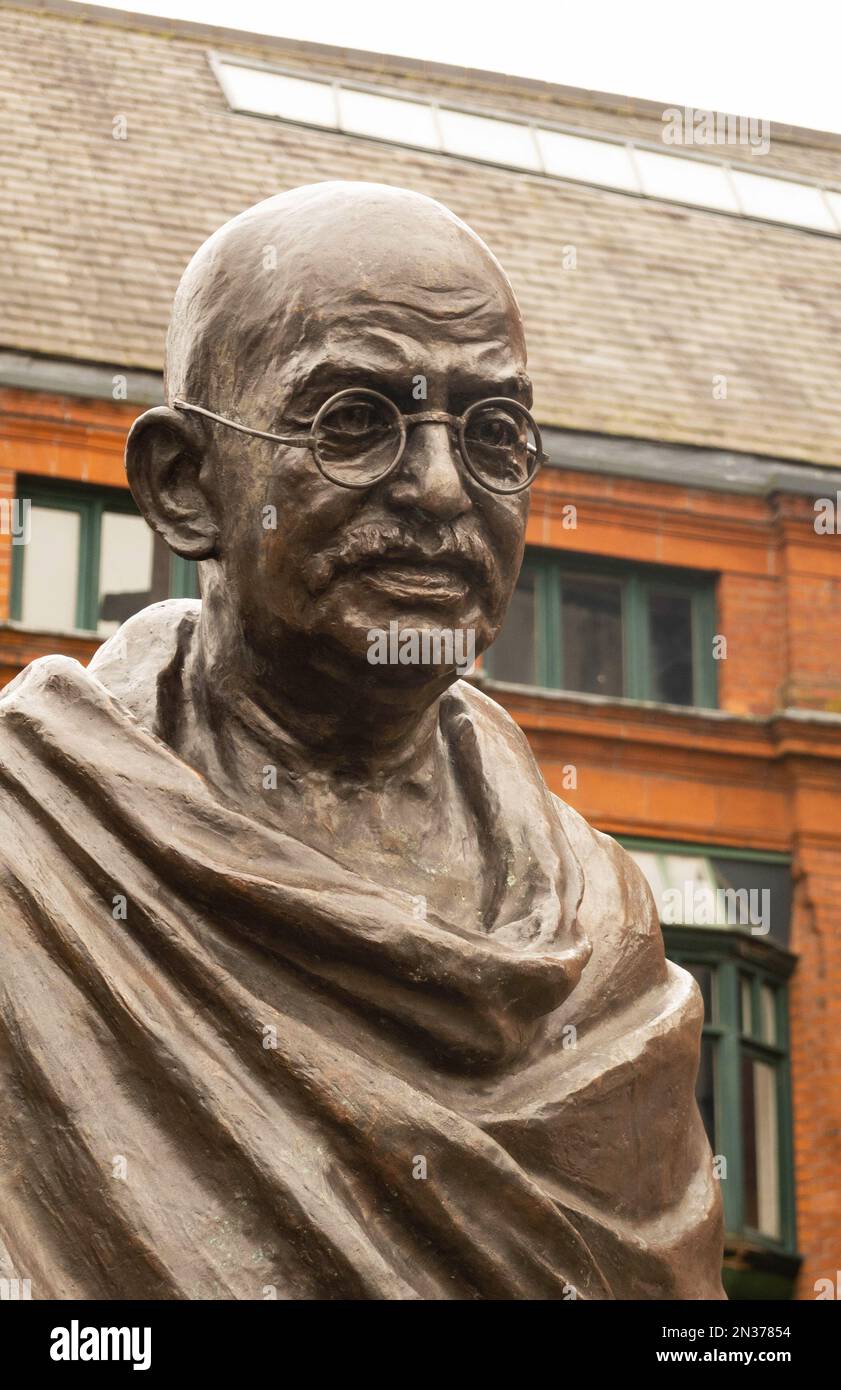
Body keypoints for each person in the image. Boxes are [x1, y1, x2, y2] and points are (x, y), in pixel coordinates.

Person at [0, 182, 724, 1299]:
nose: (440, 488)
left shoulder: (602, 933)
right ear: (185, 487)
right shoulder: (30, 845)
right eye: (352, 421)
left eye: (494, 434)